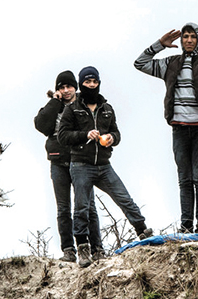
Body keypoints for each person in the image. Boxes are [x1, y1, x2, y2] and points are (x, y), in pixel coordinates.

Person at [134, 22, 198, 234]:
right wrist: (160, 44)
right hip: (179, 128)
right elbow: (140, 63)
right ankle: (186, 227)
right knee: (184, 178)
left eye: (193, 36)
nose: (188, 40)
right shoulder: (171, 63)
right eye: (185, 36)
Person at [58, 66, 152, 267]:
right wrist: (85, 135)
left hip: (103, 165)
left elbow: (117, 133)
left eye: (94, 82)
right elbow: (63, 136)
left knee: (124, 198)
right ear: (81, 84)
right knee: (81, 207)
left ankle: (142, 231)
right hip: (80, 165)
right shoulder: (72, 109)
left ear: (98, 83)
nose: (91, 85)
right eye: (87, 82)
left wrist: (111, 138)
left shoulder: (107, 109)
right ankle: (83, 249)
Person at [34, 70, 104, 263]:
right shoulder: (54, 106)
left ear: (76, 87)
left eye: (69, 86)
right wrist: (54, 102)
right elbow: (41, 125)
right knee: (63, 208)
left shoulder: (83, 104)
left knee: (88, 206)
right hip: (58, 162)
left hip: (81, 160)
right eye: (61, 87)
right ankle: (68, 250)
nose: (66, 90)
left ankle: (97, 248)